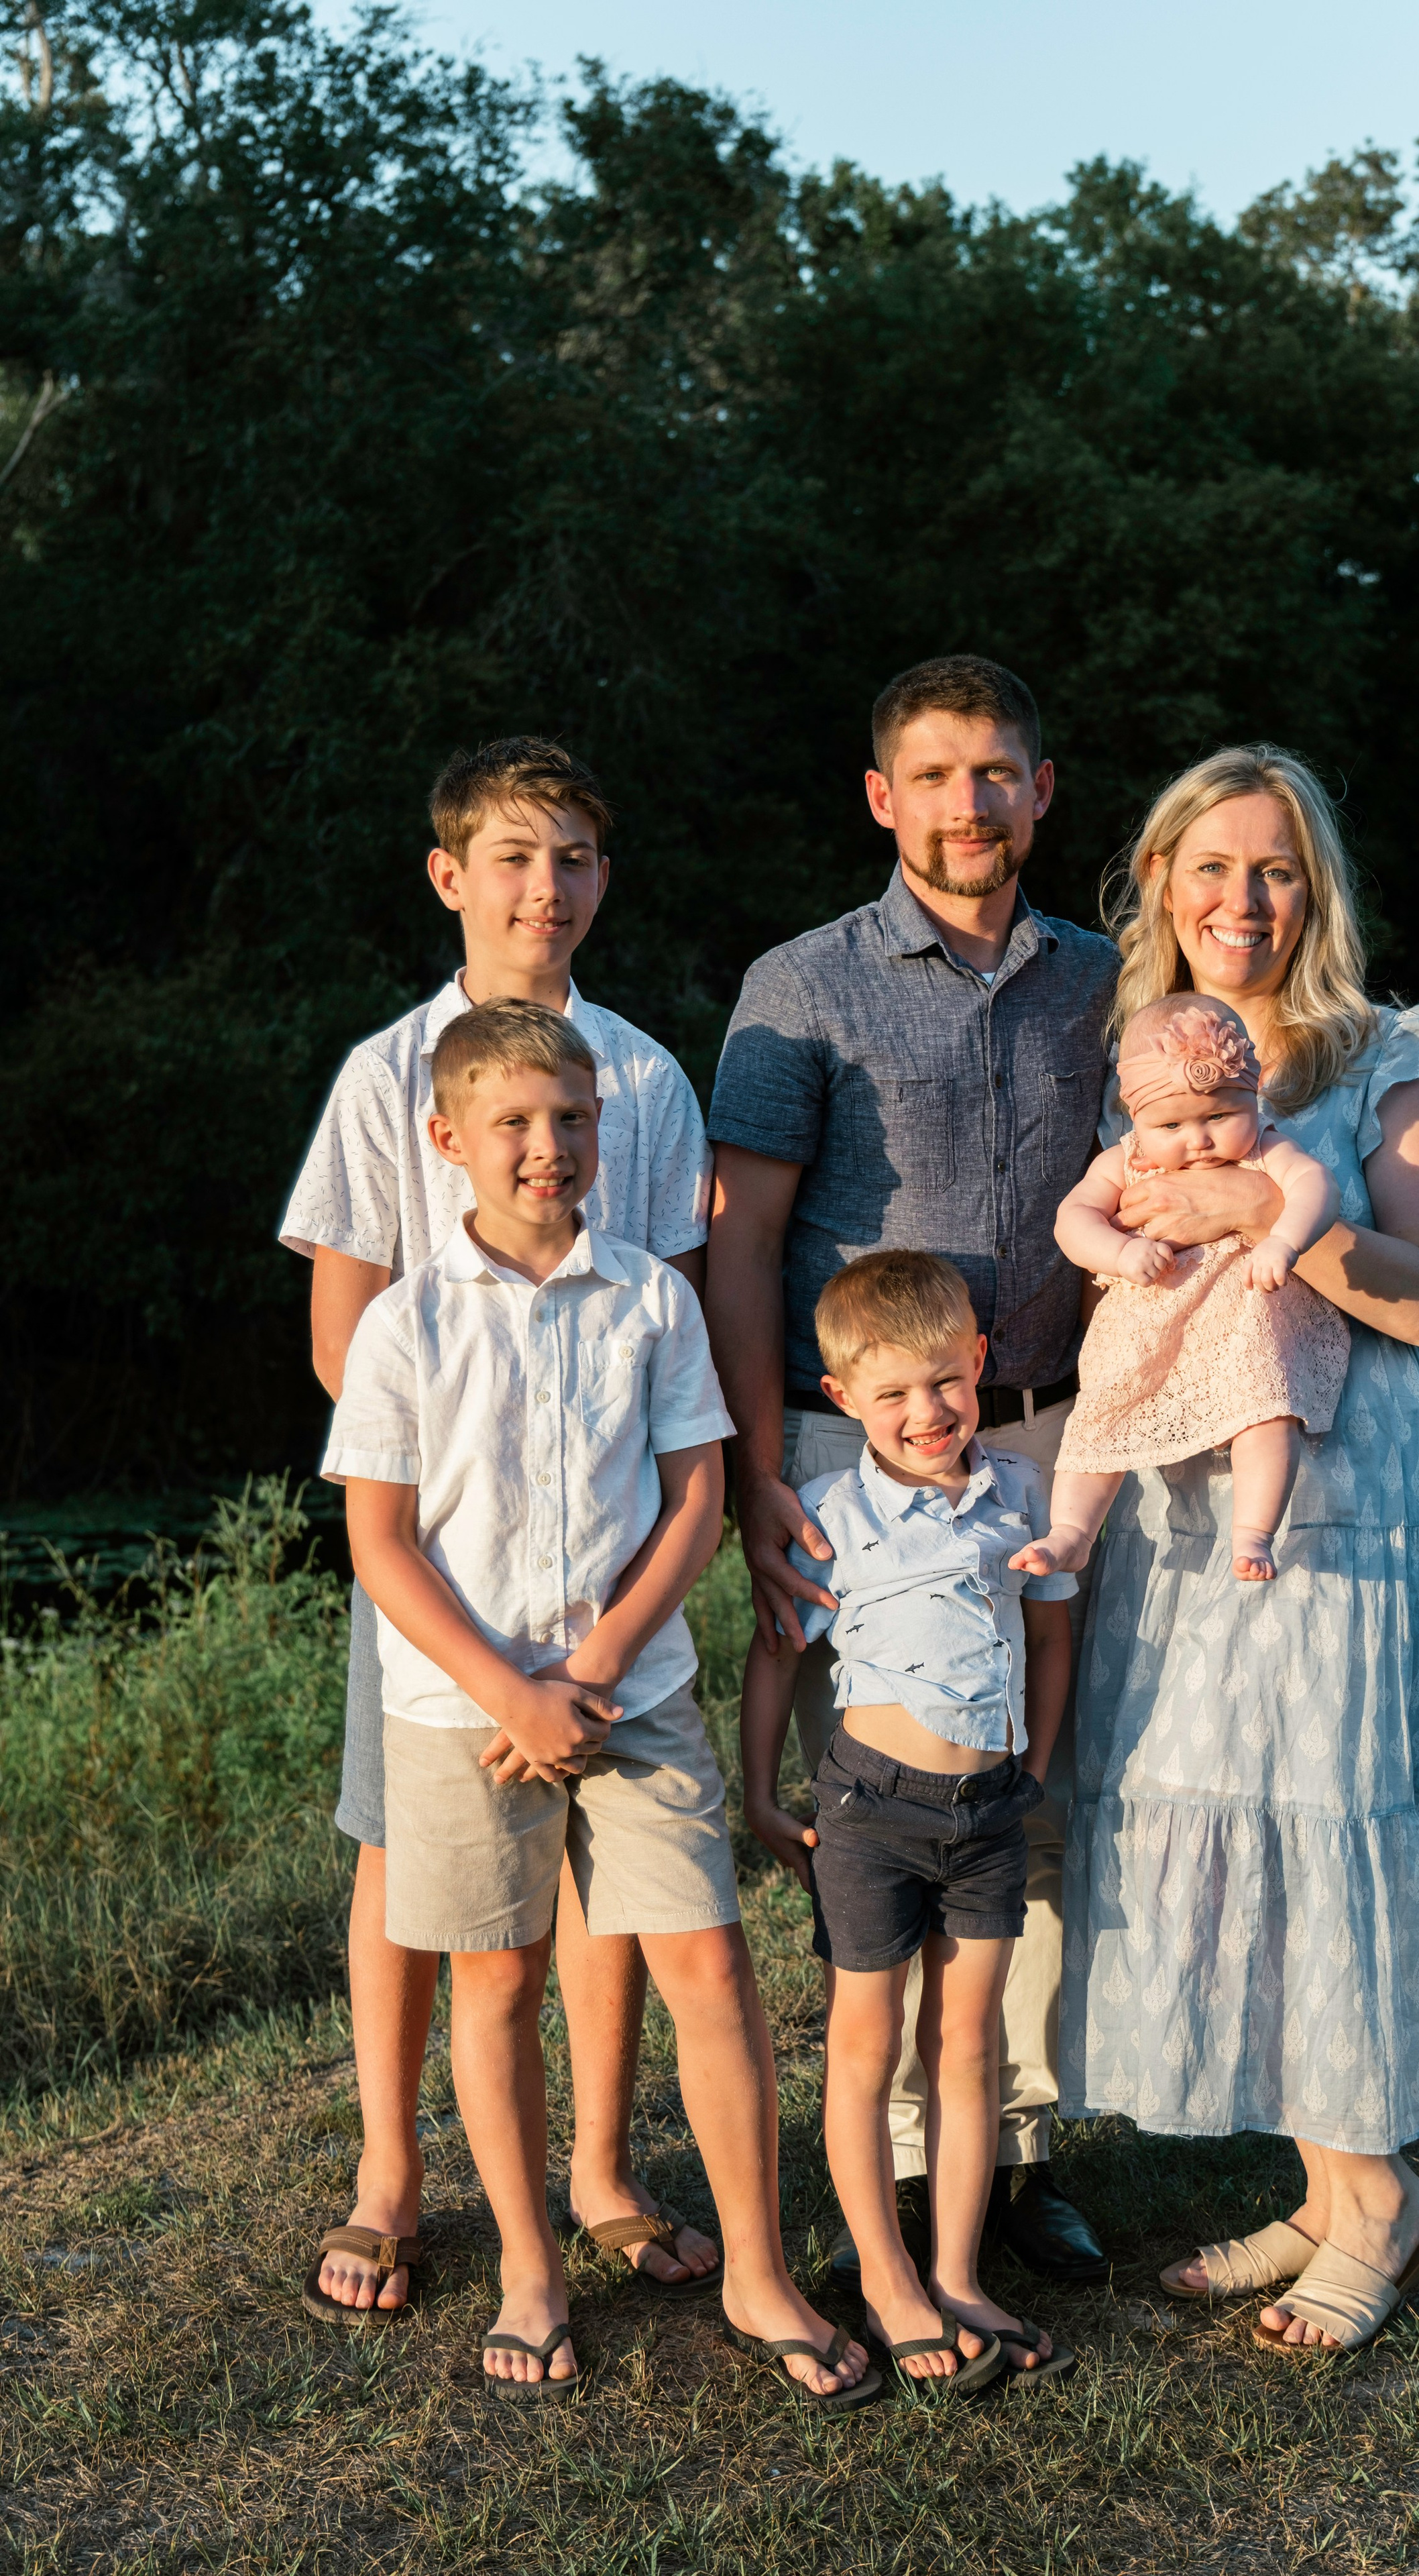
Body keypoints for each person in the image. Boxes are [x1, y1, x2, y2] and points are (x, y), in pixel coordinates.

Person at [323, 998, 876, 2403]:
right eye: (511, 1123)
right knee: (496, 1980)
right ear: (446, 1139)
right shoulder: (403, 1325)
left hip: (636, 1696)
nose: (545, 1147)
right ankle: (529, 2263)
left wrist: (593, 1669)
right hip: (463, 1714)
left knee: (704, 1960)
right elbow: (380, 1542)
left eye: (569, 1120)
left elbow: (695, 1499)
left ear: (601, 1129)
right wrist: (514, 1687)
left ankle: (758, 2269)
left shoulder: (649, 1297)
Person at [1060, 743, 1419, 2358]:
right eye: (1209, 865)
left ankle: (1378, 2194)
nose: (1239, 900)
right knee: (1229, 1817)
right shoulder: (1137, 1055)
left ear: (1311, 887)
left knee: (1326, 1819)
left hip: (1343, 1495)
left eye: (1274, 868)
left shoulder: (1386, 1052)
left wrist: (1267, 1209)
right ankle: (1321, 2183)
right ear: (1158, 882)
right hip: (1183, 1507)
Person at [282, 737, 720, 2323]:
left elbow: (663, 1307)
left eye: (577, 859)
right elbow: (345, 1333)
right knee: (413, 1860)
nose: (548, 888)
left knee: (600, 1870)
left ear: (604, 881)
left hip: (607, 1561)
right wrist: (445, 1487)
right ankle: (391, 2177)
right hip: (435, 1558)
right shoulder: (386, 1073)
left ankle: (600, 2169)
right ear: (449, 873)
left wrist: (611, 1563)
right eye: (516, 857)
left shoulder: (649, 1079)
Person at [704, 655, 1115, 2284]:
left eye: (996, 771)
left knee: (1023, 1794)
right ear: (882, 797)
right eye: (935, 774)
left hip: (1045, 1427)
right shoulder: (800, 984)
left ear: (1038, 787)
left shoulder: (1099, 975)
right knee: (874, 1799)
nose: (969, 802)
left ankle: (1009, 2162)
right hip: (847, 1442)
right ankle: (878, 2172)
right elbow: (737, 1254)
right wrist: (755, 1474)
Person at [741, 1251, 1078, 2389]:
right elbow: (776, 1654)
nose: (926, 1412)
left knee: (969, 2045)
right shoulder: (831, 1519)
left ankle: (961, 2272)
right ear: (842, 1400)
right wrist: (759, 1794)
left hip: (988, 1810)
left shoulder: (1024, 1498)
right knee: (866, 2044)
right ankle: (885, 2278)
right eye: (892, 1394)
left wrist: (1032, 1754)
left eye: (945, 1381)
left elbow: (1050, 1633)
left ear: (978, 1361)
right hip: (872, 1812)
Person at [1025, 993, 1347, 1585]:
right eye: (1171, 1125)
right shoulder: (1125, 1163)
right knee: (1100, 1416)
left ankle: (1254, 1533)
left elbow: (1316, 1186)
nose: (1197, 1139)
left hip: (1245, 1329)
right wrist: (1120, 1251)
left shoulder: (1265, 1149)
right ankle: (1071, 1533)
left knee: (1269, 1412)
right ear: (1134, 1119)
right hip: (1146, 1331)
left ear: (1251, 1097)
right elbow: (1071, 1222)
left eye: (1219, 1117)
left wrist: (1284, 1242)